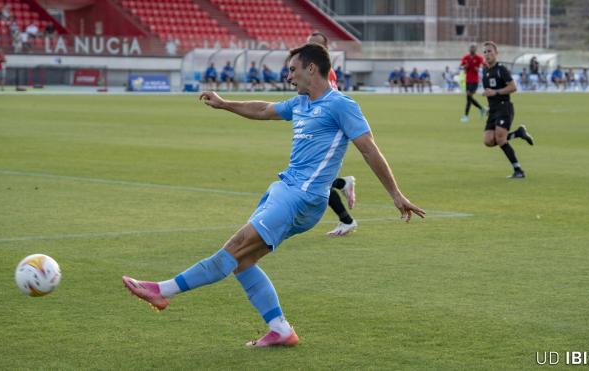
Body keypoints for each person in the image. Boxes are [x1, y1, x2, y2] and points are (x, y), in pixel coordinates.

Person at [122, 43, 426, 347]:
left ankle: (162, 290)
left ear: (311, 68)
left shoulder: (341, 105)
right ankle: (280, 329)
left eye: (293, 69)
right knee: (242, 262)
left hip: (303, 198)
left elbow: (369, 149)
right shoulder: (300, 104)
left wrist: (396, 194)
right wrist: (225, 104)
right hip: (284, 190)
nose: (289, 75)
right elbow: (263, 109)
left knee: (235, 248)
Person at [307, 31, 358, 236]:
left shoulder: (321, 71)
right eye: (309, 44)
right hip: (321, 128)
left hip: (327, 129)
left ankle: (347, 220)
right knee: (316, 178)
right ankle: (344, 185)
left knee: (316, 180)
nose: (311, 48)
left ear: (325, 49)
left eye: (316, 45)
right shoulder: (319, 69)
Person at [480, 41, 534, 179]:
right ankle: (518, 133)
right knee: (488, 140)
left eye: (490, 51)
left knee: (500, 138)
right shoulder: (485, 72)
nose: (487, 54)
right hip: (493, 110)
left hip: (504, 107)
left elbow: (513, 87)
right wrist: (488, 107)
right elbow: (489, 92)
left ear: (496, 53)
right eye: (485, 52)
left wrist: (496, 93)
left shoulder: (501, 69)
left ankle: (519, 170)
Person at [460, 44, 487, 123]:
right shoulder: (466, 57)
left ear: (476, 49)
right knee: (469, 98)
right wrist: (465, 66)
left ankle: (466, 116)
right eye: (471, 48)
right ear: (469, 49)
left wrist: (478, 68)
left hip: (475, 80)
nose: (472, 49)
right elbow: (461, 66)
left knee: (468, 96)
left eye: (474, 48)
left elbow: (484, 65)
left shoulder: (478, 58)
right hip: (468, 80)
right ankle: (481, 109)